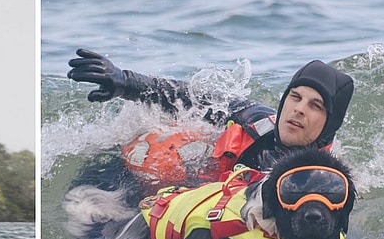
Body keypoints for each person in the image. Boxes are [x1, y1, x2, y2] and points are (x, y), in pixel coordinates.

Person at [66, 49, 354, 185]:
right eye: (295, 97)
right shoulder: (255, 120)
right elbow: (189, 97)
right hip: (161, 183)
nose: (300, 109)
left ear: (330, 124)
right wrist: (125, 81)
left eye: (316, 106)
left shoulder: (324, 181)